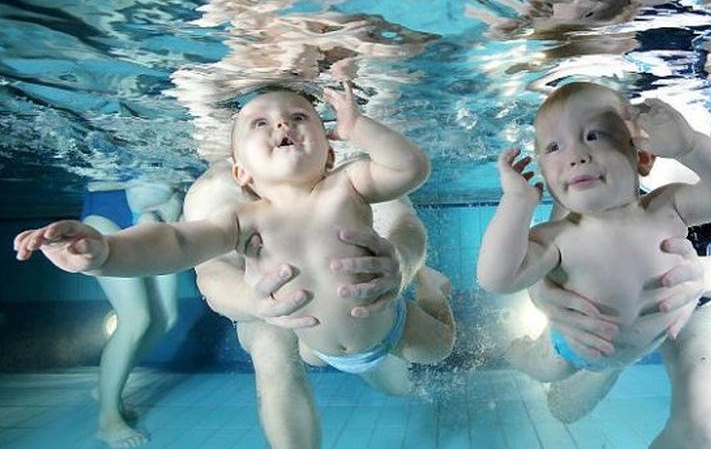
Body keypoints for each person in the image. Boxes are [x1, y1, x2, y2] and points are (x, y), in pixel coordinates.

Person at [14, 85, 455, 391]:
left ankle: (433, 292)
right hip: (319, 346)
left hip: (392, 324)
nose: (281, 124)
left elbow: (410, 169)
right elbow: (176, 244)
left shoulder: (349, 184)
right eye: (259, 123)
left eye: (299, 116)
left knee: (439, 350)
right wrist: (106, 253)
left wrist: (359, 127)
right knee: (312, 358)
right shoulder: (244, 220)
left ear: (331, 151)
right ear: (241, 172)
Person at [477, 82, 711, 395]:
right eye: (554, 147)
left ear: (641, 156)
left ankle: (606, 372)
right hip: (572, 346)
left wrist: (689, 147)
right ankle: (519, 353)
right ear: (544, 173)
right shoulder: (557, 238)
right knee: (543, 369)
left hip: (644, 344)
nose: (575, 156)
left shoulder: (667, 208)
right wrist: (517, 201)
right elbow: (498, 280)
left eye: (593, 136)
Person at [183, 159, 432, 448]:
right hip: (266, 302)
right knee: (270, 350)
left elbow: (403, 222)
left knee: (398, 388)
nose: (280, 128)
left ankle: (353, 352)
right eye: (260, 122)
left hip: (347, 298)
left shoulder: (346, 165)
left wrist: (402, 261)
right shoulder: (218, 185)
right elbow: (212, 273)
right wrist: (254, 301)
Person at [80, 182, 183, 448]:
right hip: (108, 211)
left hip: (158, 222)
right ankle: (108, 420)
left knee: (166, 318)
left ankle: (106, 386)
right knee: (135, 318)